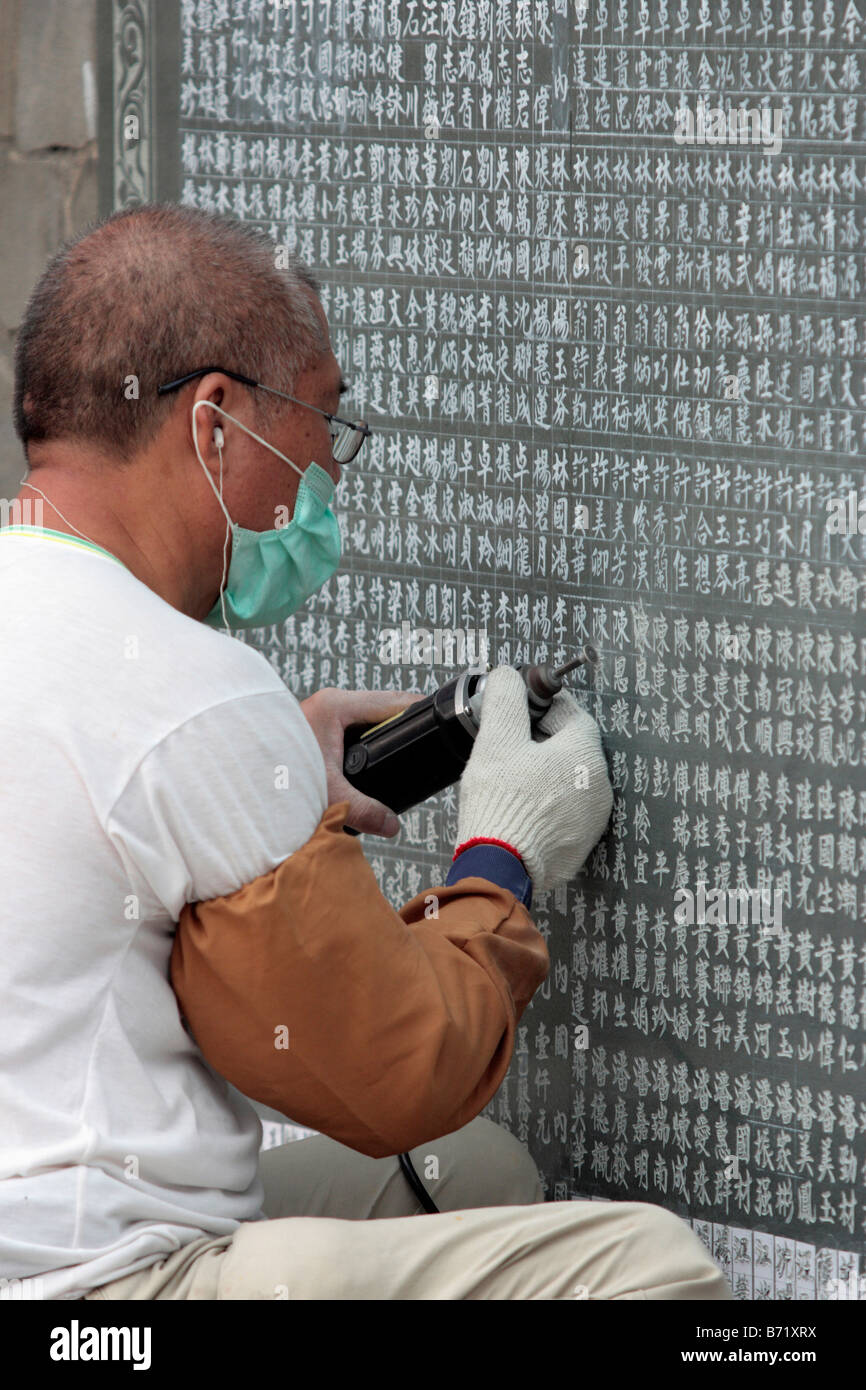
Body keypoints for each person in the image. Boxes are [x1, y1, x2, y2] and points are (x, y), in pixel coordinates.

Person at [0, 204, 732, 1301]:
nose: (327, 470)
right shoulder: (182, 687)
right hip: (97, 1296)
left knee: (466, 1173)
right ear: (215, 426)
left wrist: (274, 785)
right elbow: (395, 1072)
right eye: (318, 418)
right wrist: (499, 853)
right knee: (644, 1265)